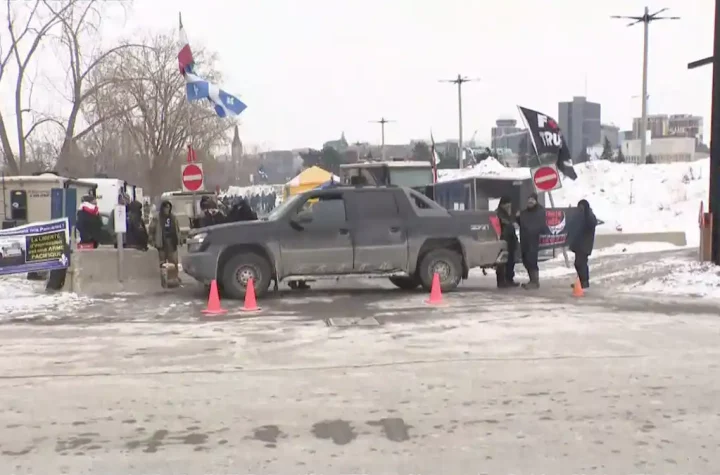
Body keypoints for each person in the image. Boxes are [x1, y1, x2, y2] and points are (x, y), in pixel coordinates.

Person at [517, 192, 547, 290]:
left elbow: (542, 225)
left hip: (533, 240)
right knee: (525, 260)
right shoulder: (524, 213)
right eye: (529, 200)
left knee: (532, 260)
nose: (530, 201)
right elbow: (521, 223)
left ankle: (535, 281)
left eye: (532, 200)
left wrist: (533, 230)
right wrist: (518, 217)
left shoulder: (540, 211)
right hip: (524, 239)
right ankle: (532, 280)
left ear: (536, 201)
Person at [568, 199, 598, 290]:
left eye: (582, 207)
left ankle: (584, 282)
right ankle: (582, 281)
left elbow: (591, 223)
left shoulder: (590, 216)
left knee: (581, 263)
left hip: (585, 244)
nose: (580, 209)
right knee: (578, 264)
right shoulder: (578, 217)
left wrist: (586, 214)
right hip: (578, 244)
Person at [149, 200, 182, 268]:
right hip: (161, 241)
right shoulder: (157, 218)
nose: (167, 209)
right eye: (166, 208)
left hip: (172, 241)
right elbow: (151, 229)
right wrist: (152, 240)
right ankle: (163, 275)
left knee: (173, 261)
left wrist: (179, 239)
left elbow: (177, 229)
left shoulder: (173, 217)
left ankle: (173, 276)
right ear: (162, 208)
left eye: (168, 207)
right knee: (162, 262)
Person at [495, 196, 519, 288]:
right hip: (503, 241)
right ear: (502, 204)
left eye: (509, 204)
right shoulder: (498, 214)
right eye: (507, 204)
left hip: (510, 241)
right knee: (502, 262)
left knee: (510, 262)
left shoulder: (507, 214)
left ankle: (509, 280)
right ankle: (501, 281)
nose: (509, 206)